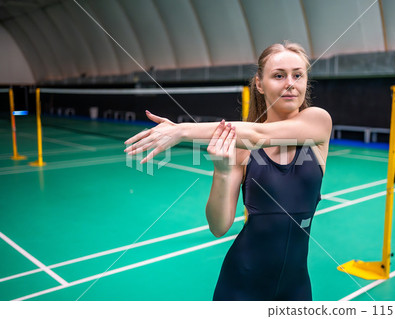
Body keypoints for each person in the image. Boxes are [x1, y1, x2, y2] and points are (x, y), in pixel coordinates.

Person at [124, 41, 332, 300]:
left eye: (298, 75)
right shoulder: (242, 149)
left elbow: (259, 133)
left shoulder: (318, 122)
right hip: (241, 284)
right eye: (279, 75)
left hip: (296, 288)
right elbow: (219, 226)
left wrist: (180, 130)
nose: (290, 83)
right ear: (259, 83)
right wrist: (222, 172)